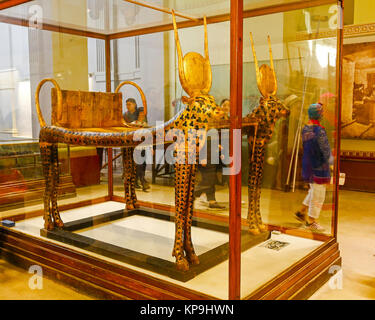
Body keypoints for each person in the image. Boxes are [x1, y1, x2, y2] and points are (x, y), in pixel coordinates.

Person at [294, 103, 333, 232]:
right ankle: (311, 221)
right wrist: (331, 163)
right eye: (321, 112)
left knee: (313, 190)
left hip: (308, 163)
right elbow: (325, 150)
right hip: (318, 166)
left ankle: (301, 211)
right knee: (318, 194)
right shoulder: (319, 130)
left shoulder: (306, 128)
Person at [123, 98, 150, 191]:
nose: (127, 106)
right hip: (131, 141)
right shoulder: (125, 115)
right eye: (126, 104)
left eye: (129, 104)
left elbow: (143, 123)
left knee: (143, 161)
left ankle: (140, 179)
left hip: (141, 140)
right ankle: (139, 180)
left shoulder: (140, 112)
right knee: (135, 161)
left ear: (134, 104)